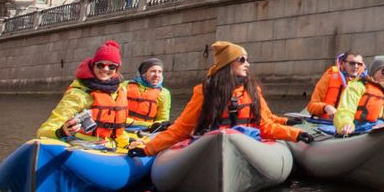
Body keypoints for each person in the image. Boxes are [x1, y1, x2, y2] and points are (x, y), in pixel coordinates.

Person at [133, 40, 304, 155]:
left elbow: (265, 125)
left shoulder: (252, 90)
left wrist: (295, 134)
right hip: (214, 146)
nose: (247, 64)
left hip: (250, 145)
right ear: (227, 64)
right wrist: (148, 149)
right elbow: (180, 129)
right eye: (242, 60)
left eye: (247, 60)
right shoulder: (204, 92)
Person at [36, 40, 131, 149]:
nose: (105, 69)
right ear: (93, 65)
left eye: (112, 67)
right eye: (100, 65)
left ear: (117, 69)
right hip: (83, 146)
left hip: (110, 147)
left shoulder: (120, 91)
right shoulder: (78, 94)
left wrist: (127, 145)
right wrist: (60, 132)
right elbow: (44, 131)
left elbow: (118, 130)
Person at [307, 52, 366, 117]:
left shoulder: (365, 83)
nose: (356, 66)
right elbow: (311, 106)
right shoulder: (330, 76)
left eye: (359, 64)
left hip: (349, 124)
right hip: (325, 123)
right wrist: (326, 107)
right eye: (352, 63)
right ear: (343, 64)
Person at [123, 57, 171, 133]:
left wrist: (156, 126)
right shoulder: (125, 85)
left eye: (160, 72)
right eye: (153, 71)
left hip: (145, 132)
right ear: (143, 73)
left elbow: (162, 119)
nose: (157, 75)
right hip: (122, 128)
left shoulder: (164, 93)